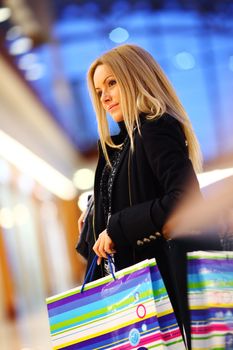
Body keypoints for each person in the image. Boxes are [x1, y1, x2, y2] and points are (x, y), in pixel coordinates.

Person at [77, 44, 218, 349]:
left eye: (112, 82)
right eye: (99, 89)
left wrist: (118, 227)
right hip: (135, 292)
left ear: (135, 78)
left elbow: (184, 199)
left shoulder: (154, 128)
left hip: (160, 289)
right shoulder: (118, 147)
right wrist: (93, 221)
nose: (105, 96)